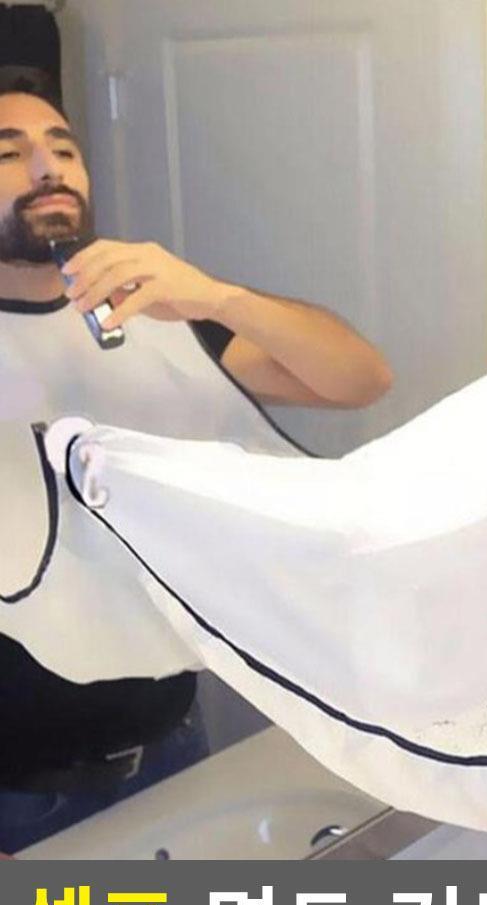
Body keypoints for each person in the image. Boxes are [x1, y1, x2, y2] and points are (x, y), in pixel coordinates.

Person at [0, 86, 393, 854]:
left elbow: (361, 379)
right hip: (18, 799)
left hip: (174, 749)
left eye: (65, 148)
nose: (49, 168)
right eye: (10, 153)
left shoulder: (154, 324)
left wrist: (216, 297)